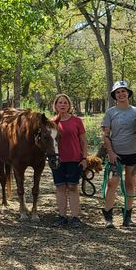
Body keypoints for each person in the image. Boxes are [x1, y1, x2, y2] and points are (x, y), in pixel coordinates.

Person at [101, 80, 136, 228]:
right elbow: (105, 134)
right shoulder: (110, 112)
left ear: (128, 93)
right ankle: (108, 215)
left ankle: (127, 216)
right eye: (118, 92)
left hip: (135, 152)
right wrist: (110, 152)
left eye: (123, 91)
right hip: (116, 154)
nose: (121, 94)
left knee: (130, 184)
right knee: (112, 183)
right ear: (114, 95)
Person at [49, 93, 87, 228]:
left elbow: (83, 141)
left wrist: (84, 158)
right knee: (60, 187)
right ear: (55, 105)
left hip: (74, 158)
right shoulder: (51, 122)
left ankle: (75, 217)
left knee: (73, 187)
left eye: (65, 102)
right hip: (57, 160)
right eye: (60, 102)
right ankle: (62, 216)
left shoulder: (77, 121)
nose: (63, 105)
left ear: (69, 105)